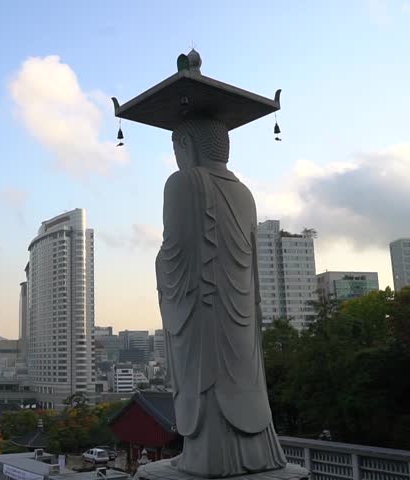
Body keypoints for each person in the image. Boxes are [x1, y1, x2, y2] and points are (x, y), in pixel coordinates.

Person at [156, 115, 287, 478]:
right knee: (241, 379)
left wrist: (159, 263)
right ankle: (254, 453)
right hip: (240, 306)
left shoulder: (183, 183)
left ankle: (208, 456)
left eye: (176, 147)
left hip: (202, 305)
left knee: (205, 377)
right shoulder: (245, 193)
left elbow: (175, 251)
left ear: (188, 145)